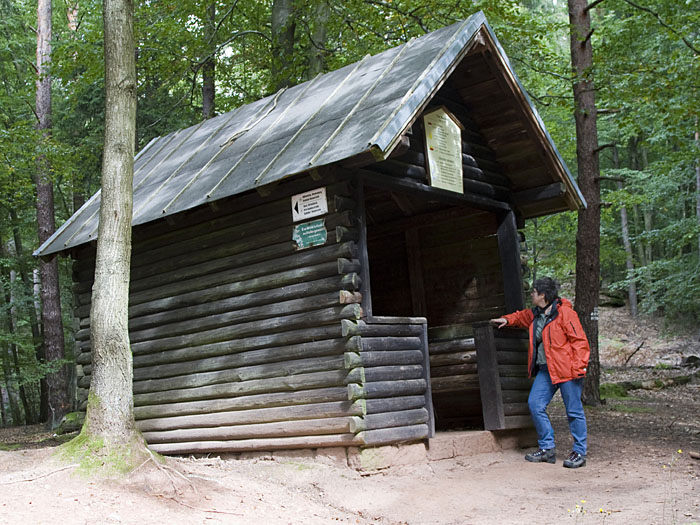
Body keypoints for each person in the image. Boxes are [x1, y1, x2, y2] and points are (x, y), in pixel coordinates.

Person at [490, 277, 590, 468]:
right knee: (535, 404)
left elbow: (580, 342)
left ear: (542, 295)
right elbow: (521, 317)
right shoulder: (537, 314)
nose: (531, 294)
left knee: (573, 412)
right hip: (547, 370)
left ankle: (579, 452)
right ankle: (547, 449)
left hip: (568, 370)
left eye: (533, 292)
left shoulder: (566, 314)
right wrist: (506, 319)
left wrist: (578, 368)